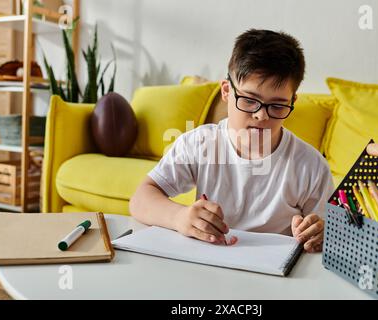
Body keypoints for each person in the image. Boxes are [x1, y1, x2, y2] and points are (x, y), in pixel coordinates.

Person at [130, 29, 334, 253]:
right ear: (227, 91)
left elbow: (328, 232)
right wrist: (179, 217)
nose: (261, 116)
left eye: (277, 106)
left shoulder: (311, 167)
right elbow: (140, 200)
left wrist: (321, 233)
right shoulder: (200, 143)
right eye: (249, 100)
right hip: (210, 265)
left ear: (292, 102)